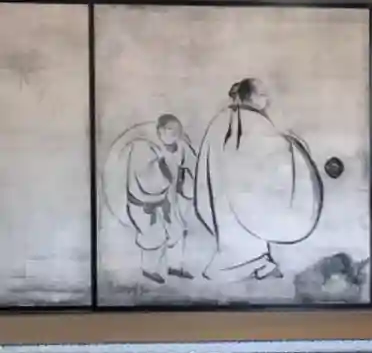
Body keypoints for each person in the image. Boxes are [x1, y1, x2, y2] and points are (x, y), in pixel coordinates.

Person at [194, 78, 323, 282]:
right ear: (250, 96)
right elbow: (271, 154)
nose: (267, 100)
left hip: (223, 189)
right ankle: (243, 266)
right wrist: (292, 143)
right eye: (262, 95)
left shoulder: (222, 119)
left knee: (234, 228)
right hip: (241, 191)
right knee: (245, 227)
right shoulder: (254, 121)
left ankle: (254, 264)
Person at [103, 114, 198, 284]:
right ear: (159, 130)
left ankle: (175, 266)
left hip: (168, 199)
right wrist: (163, 169)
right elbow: (143, 177)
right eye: (169, 129)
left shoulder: (181, 146)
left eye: (177, 130)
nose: (173, 134)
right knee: (152, 234)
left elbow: (191, 164)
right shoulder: (144, 147)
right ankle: (149, 269)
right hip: (145, 202)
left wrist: (185, 179)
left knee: (176, 229)